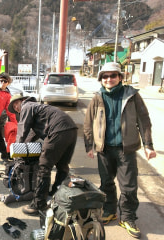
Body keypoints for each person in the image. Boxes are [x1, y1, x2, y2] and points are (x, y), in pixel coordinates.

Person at [83, 62, 156, 239]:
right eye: (105, 76)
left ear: (120, 77)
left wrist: (148, 145)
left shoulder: (132, 95)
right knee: (106, 183)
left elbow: (144, 121)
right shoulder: (98, 97)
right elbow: (88, 122)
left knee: (129, 186)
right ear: (101, 79)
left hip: (126, 148)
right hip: (104, 149)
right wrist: (89, 145)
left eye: (113, 75)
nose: (109, 79)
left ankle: (128, 217)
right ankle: (110, 211)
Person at [8, 95, 78, 216]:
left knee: (44, 167)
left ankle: (38, 204)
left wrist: (16, 148)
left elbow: (22, 129)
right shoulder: (39, 109)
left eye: (16, 104)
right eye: (13, 108)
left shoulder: (27, 106)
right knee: (62, 165)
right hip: (71, 128)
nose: (16, 108)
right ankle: (56, 194)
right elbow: (32, 134)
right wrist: (23, 148)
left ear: (22, 100)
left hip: (57, 129)